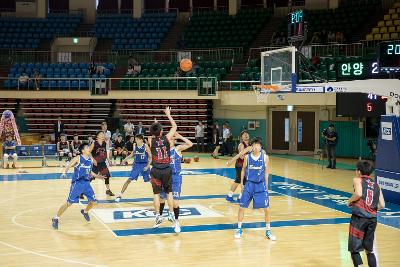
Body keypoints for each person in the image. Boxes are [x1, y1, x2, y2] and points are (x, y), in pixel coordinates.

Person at [52, 143, 105, 230]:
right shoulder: (78, 158)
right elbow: (69, 165)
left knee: (94, 202)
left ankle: (85, 211)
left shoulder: (90, 160)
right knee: (69, 203)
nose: (89, 148)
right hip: (77, 183)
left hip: (86, 184)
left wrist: (98, 176)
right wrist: (64, 172)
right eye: (87, 147)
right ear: (83, 150)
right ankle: (55, 218)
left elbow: (90, 172)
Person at [234, 137, 276, 241]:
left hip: (260, 185)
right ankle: (239, 229)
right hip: (249, 185)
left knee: (267, 209)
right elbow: (243, 169)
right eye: (254, 145)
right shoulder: (247, 157)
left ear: (261, 146)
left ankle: (268, 231)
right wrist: (242, 184)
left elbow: (266, 172)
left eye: (258, 145)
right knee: (241, 207)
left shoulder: (265, 157)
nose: (256, 147)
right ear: (251, 146)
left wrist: (266, 186)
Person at [347, 161, 385, 267]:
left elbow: (358, 193)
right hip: (372, 219)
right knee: (369, 250)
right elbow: (382, 205)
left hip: (359, 219)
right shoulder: (377, 185)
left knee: (354, 250)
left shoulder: (357, 179)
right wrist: (371, 209)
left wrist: (349, 201)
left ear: (359, 171)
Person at [148, 106, 177, 228]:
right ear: (161, 131)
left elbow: (154, 133)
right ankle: (171, 213)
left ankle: (158, 216)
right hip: (166, 169)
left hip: (155, 170)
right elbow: (174, 127)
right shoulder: (166, 138)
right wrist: (168, 115)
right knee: (169, 192)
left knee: (156, 195)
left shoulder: (150, 140)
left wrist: (155, 125)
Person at [159, 132, 193, 233]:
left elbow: (190, 144)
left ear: (174, 141)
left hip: (175, 178)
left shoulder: (177, 149)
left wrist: (180, 137)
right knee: (161, 199)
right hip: (165, 177)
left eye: (172, 139)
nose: (170, 141)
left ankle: (176, 221)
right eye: (169, 139)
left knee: (175, 202)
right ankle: (159, 218)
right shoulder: (163, 151)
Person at [115, 134, 152, 202]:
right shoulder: (135, 145)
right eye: (135, 139)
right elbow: (132, 154)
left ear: (141, 139)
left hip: (144, 165)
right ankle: (120, 195)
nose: (135, 140)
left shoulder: (145, 146)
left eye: (137, 139)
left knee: (150, 180)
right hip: (136, 165)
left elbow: (150, 157)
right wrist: (125, 160)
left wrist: (147, 166)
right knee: (129, 180)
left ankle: (160, 193)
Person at [226, 131, 250, 203]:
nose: (246, 135)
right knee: (241, 181)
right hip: (240, 165)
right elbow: (242, 157)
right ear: (241, 137)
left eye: (247, 134)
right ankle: (239, 197)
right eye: (244, 135)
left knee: (239, 181)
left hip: (245, 166)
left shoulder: (250, 144)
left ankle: (230, 196)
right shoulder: (241, 145)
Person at [90, 131, 114, 196]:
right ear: (97, 136)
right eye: (101, 134)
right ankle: (82, 191)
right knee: (91, 177)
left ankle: (108, 190)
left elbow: (105, 153)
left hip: (103, 163)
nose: (103, 135)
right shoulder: (94, 143)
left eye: (103, 134)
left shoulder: (104, 143)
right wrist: (93, 160)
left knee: (107, 176)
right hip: (96, 163)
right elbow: (89, 152)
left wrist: (108, 160)